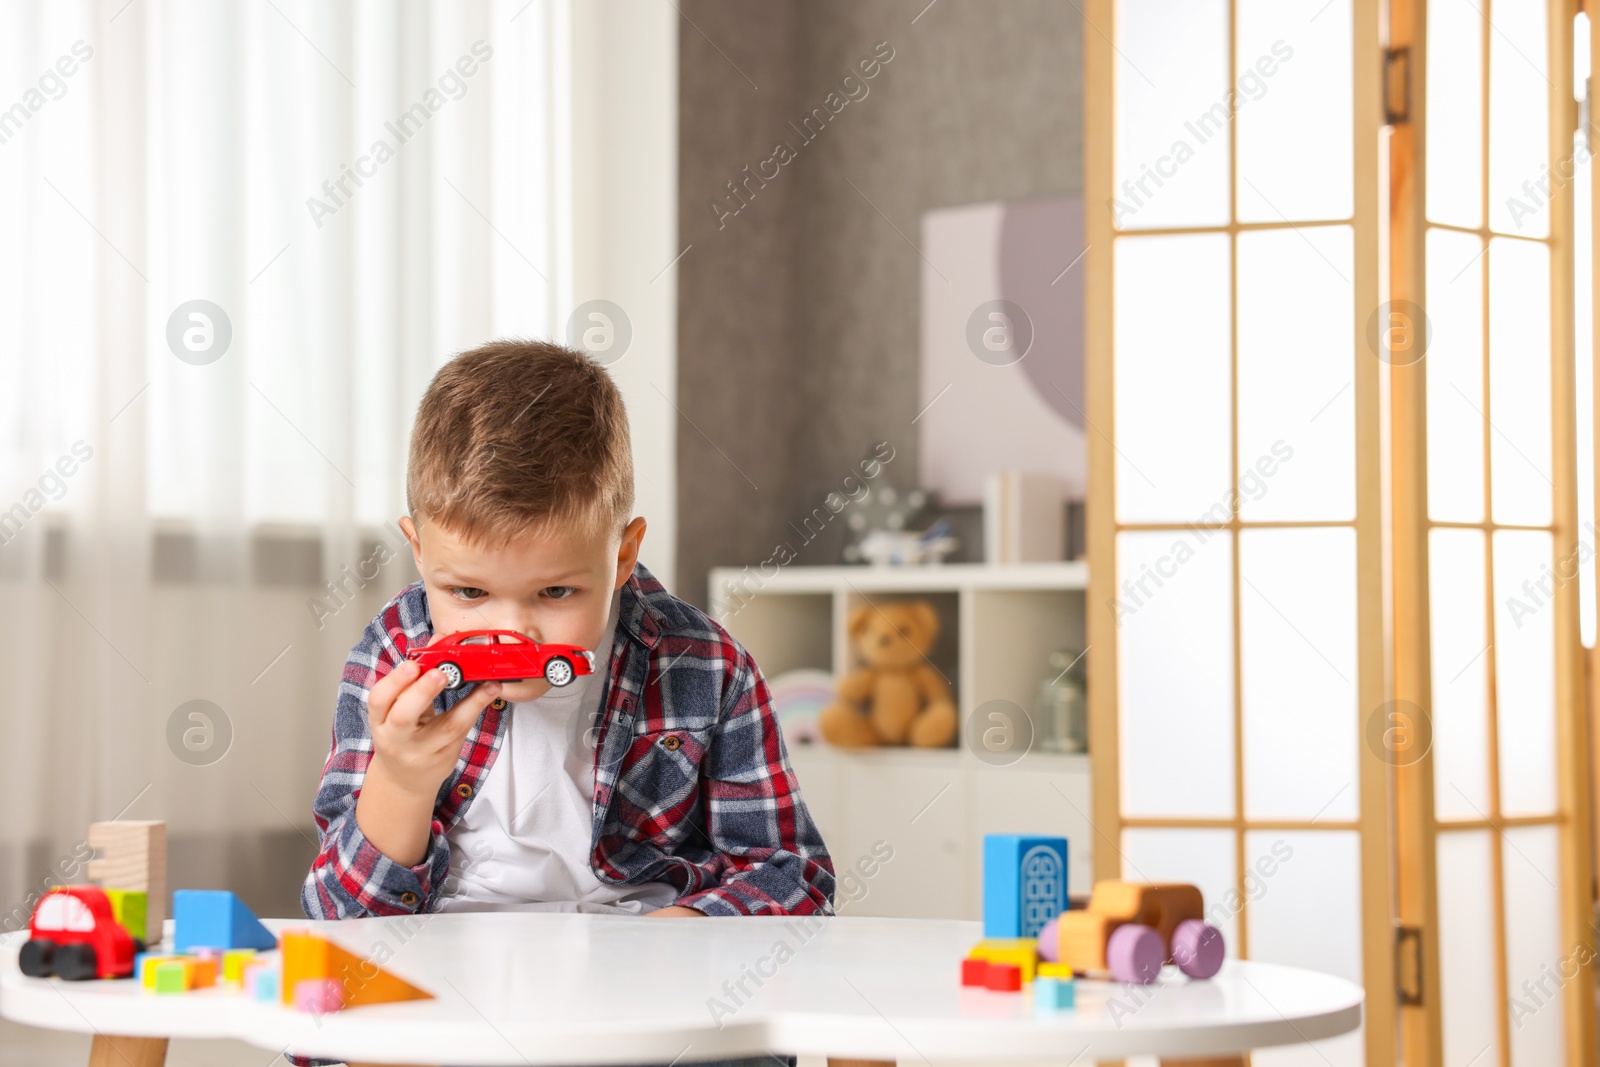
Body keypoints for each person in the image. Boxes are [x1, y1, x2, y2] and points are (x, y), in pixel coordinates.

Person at [292, 339, 833, 1067]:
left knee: (738, 1050)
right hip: (446, 973)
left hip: (642, 976)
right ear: (418, 551)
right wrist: (402, 779)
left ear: (621, 553)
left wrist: (672, 936)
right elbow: (343, 919)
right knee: (333, 1035)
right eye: (468, 592)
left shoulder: (705, 663)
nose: (511, 631)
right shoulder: (395, 654)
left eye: (555, 593)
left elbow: (792, 872)